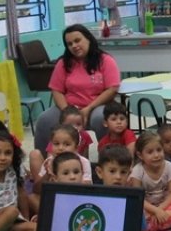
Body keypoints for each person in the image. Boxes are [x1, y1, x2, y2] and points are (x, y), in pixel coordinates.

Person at [33, 24, 121, 152]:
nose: (74, 46)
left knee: (101, 119)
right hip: (69, 107)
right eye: (69, 44)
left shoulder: (106, 60)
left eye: (77, 40)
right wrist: (67, 112)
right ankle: (44, 162)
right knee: (44, 119)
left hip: (97, 106)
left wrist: (89, 108)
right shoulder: (63, 63)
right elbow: (56, 90)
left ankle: (109, 158)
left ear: (88, 39)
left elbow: (112, 88)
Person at [129, 131, 171, 231]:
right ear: (140, 155)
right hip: (147, 207)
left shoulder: (169, 166)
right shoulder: (137, 171)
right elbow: (139, 199)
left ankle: (157, 224)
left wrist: (160, 209)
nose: (156, 155)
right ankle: (163, 223)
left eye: (159, 150)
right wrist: (155, 211)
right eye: (150, 152)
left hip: (165, 204)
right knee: (135, 216)